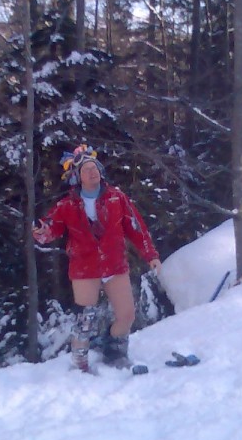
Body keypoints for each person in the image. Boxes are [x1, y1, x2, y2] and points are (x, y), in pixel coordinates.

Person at [33, 144, 161, 372]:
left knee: (127, 314)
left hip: (115, 265)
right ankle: (80, 363)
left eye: (94, 167)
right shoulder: (66, 205)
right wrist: (41, 231)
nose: (92, 172)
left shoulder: (117, 198)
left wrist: (150, 254)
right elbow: (50, 230)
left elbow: (136, 228)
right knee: (85, 319)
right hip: (84, 267)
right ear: (77, 177)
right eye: (86, 170)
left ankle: (115, 352)